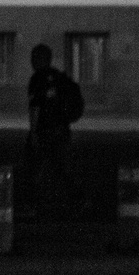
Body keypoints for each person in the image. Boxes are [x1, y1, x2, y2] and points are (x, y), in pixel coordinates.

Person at [23, 43, 85, 217]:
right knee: (64, 168)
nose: (31, 61)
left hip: (44, 130)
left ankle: (32, 205)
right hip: (61, 130)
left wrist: (33, 133)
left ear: (39, 59)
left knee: (34, 168)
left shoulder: (37, 79)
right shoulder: (59, 77)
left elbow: (35, 108)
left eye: (34, 57)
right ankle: (78, 201)